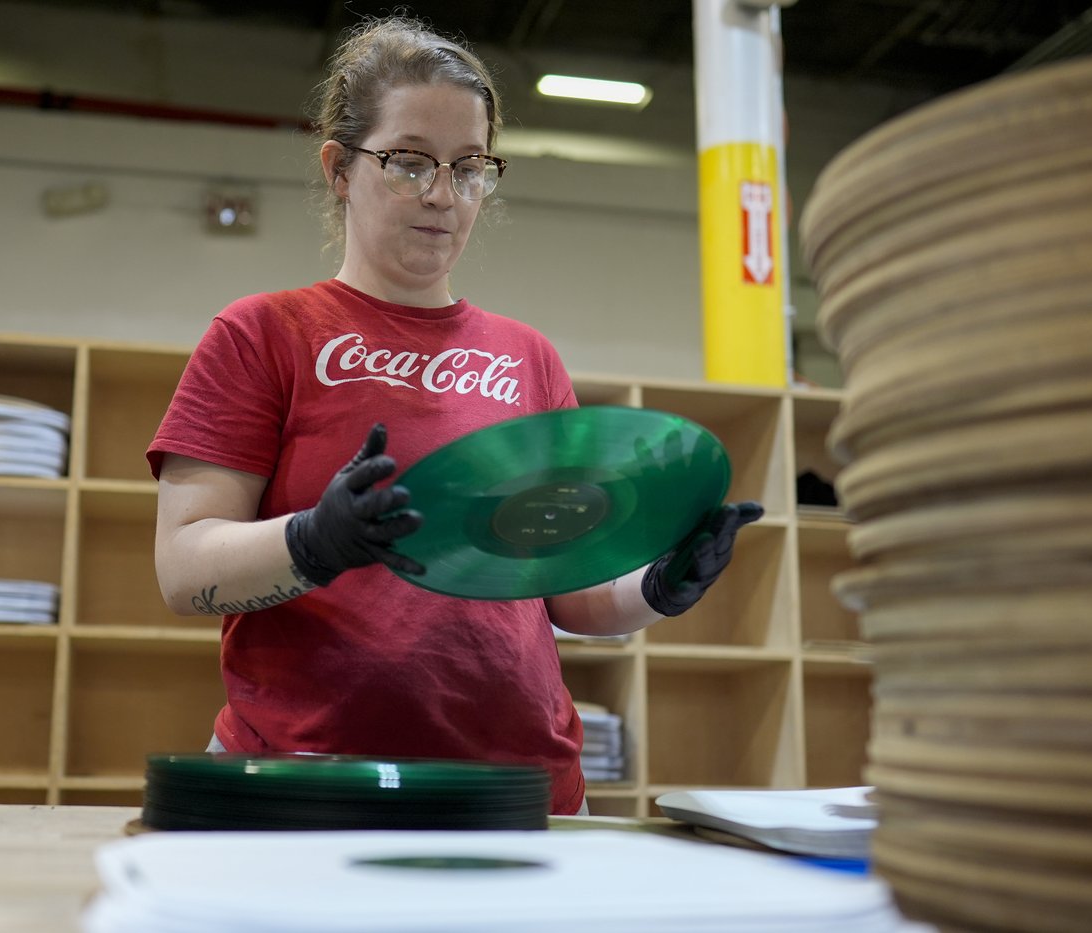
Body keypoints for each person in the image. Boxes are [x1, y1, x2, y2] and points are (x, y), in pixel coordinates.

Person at [147, 15, 761, 816]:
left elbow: (567, 595)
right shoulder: (264, 333)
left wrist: (659, 584)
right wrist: (313, 539)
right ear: (340, 167)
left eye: (469, 168)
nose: (441, 194)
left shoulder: (530, 357)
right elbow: (184, 569)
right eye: (409, 162)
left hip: (520, 790)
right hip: (307, 787)